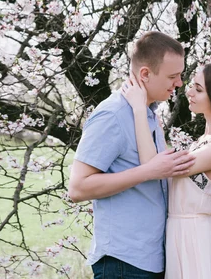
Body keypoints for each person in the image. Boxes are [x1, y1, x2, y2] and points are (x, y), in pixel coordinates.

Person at [68, 31, 196, 279]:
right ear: (145, 74)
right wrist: (147, 171)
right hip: (123, 263)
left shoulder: (148, 114)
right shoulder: (112, 115)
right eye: (172, 76)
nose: (179, 83)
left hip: (152, 259)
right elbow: (77, 188)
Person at [121, 62, 211, 279]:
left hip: (194, 238)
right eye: (193, 85)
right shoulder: (204, 142)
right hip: (183, 233)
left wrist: (140, 110)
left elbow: (152, 164)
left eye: (199, 89)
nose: (189, 92)